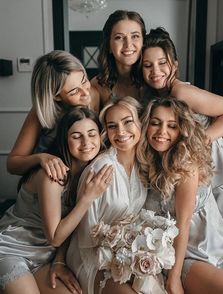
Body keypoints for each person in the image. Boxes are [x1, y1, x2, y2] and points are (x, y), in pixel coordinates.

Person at [0, 107, 113, 294]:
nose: (86, 142)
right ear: (64, 140)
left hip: (46, 257)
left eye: (92, 134)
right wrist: (87, 198)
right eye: (77, 136)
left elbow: (73, 230)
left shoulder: (91, 171)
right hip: (12, 250)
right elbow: (54, 237)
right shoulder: (52, 175)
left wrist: (60, 260)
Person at [141, 27, 223, 246]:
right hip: (199, 176)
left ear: (174, 64)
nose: (156, 70)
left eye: (162, 63)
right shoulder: (156, 98)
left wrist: (200, 141)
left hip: (219, 174)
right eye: (148, 65)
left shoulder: (180, 92)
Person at [137, 97, 223, 294]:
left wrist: (173, 278)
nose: (162, 132)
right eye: (155, 123)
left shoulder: (186, 161)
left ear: (181, 130)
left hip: (214, 249)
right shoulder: (145, 162)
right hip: (186, 256)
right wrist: (173, 275)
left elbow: (184, 221)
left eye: (171, 126)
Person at [66, 96, 147, 294]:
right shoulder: (101, 168)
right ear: (106, 132)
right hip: (92, 258)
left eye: (127, 122)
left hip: (128, 256)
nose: (120, 132)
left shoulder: (144, 166)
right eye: (112, 126)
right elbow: (85, 237)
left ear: (140, 123)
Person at [7, 50, 99, 183]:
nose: (86, 93)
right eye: (74, 91)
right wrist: (41, 158)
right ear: (56, 96)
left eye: (84, 81)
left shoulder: (94, 95)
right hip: (48, 183)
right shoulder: (41, 113)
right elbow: (12, 165)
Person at [90, 10, 146, 109]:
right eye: (119, 37)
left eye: (135, 36)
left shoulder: (154, 80)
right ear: (109, 46)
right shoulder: (96, 86)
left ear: (143, 42)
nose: (128, 44)